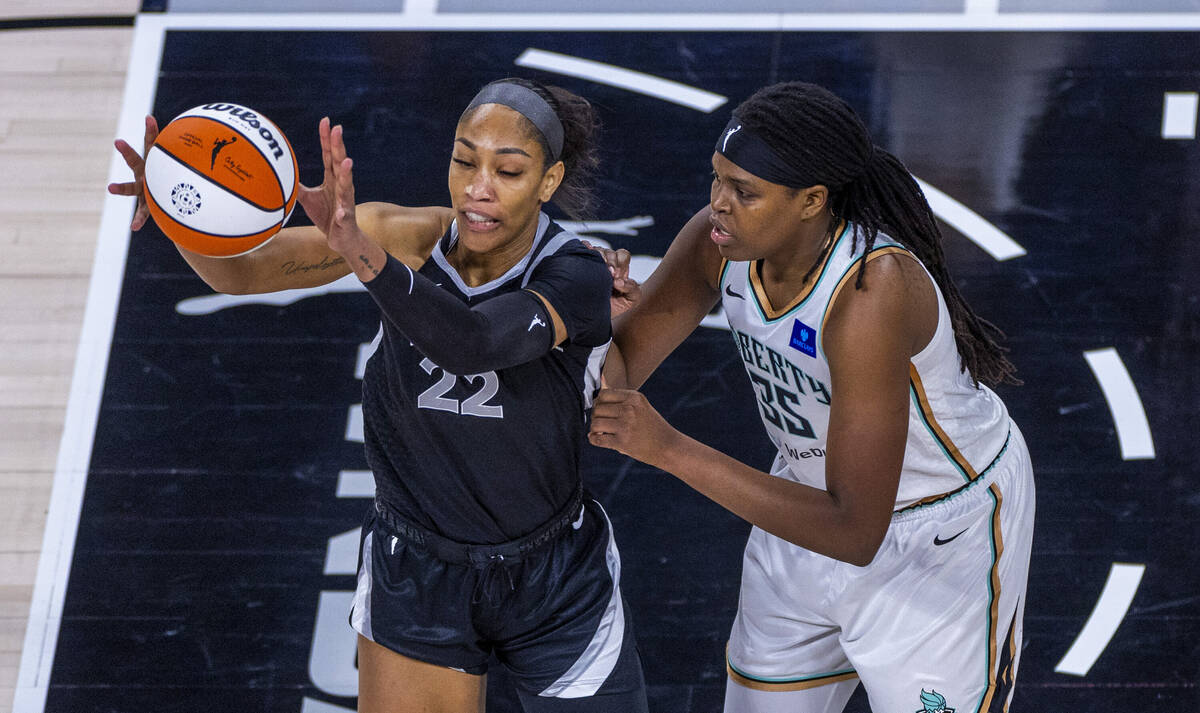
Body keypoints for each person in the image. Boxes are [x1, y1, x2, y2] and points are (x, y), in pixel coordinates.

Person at [110, 78, 648, 713]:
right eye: (463, 159)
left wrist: (361, 255)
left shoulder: (576, 272)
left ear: (549, 182)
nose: (478, 186)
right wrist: (183, 209)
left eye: (508, 170)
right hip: (415, 566)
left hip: (554, 576)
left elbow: (475, 342)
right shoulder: (402, 235)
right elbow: (238, 270)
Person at [589, 81, 1035, 713]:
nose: (719, 205)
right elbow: (614, 383)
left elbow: (856, 531)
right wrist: (589, 321)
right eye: (716, 180)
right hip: (802, 506)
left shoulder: (870, 295)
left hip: (934, 538)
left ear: (812, 201)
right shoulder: (720, 245)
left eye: (744, 192)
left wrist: (668, 449)